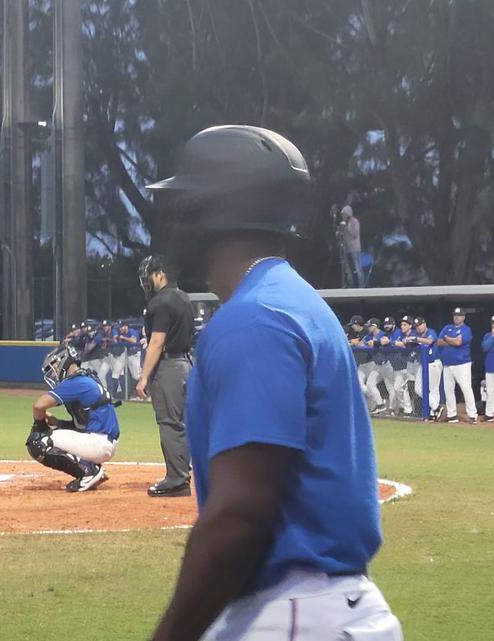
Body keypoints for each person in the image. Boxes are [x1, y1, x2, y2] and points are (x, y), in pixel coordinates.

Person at [146, 125, 401, 641]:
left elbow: (240, 515)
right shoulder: (291, 299)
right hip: (322, 609)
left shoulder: (253, 318)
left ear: (214, 213)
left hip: (293, 614)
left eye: (185, 206)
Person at [136, 255, 196, 498]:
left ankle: (176, 480)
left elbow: (157, 342)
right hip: (187, 364)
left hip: (169, 367)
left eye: (149, 276)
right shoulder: (183, 297)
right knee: (182, 423)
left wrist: (143, 378)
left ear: (160, 274)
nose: (146, 282)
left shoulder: (160, 302)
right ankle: (183, 471)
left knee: (169, 423)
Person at [26, 344, 119, 491]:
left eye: (54, 367)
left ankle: (89, 472)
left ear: (63, 361)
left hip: (99, 443)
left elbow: (38, 406)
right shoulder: (87, 378)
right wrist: (58, 423)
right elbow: (82, 426)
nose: (54, 373)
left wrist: (40, 426)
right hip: (103, 442)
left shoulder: (76, 382)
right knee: (52, 434)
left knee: (38, 442)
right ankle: (91, 468)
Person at [438, 308, 478, 424]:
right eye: (455, 315)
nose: (456, 317)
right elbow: (439, 342)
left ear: (463, 317)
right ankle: (452, 415)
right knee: (448, 390)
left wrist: (447, 338)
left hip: (462, 363)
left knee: (466, 388)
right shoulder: (447, 327)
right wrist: (452, 340)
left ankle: (472, 415)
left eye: (459, 315)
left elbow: (458, 342)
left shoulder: (466, 329)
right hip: (447, 364)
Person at [412, 317, 442, 420]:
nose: (418, 328)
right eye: (416, 326)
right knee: (418, 388)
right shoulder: (417, 335)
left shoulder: (431, 332)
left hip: (434, 363)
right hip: (423, 364)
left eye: (420, 325)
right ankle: (437, 407)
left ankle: (434, 413)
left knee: (433, 389)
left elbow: (429, 341)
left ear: (424, 324)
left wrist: (416, 339)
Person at [389, 316, 417, 416]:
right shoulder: (402, 335)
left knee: (416, 389)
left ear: (410, 326)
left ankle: (413, 410)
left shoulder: (414, 334)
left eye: (405, 325)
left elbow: (408, 345)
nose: (402, 326)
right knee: (398, 388)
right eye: (401, 324)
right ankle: (407, 408)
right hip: (407, 365)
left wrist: (402, 344)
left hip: (417, 364)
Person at [362, 318, 388, 414]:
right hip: (377, 365)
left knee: (393, 388)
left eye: (370, 326)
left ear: (375, 326)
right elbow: (361, 342)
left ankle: (397, 409)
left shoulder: (383, 334)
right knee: (370, 384)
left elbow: (385, 341)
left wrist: (375, 342)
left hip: (387, 365)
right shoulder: (369, 336)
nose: (368, 328)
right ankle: (380, 404)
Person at [112, 321, 143, 394]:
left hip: (135, 354)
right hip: (128, 354)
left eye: (121, 327)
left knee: (137, 376)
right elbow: (116, 341)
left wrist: (124, 338)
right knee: (131, 376)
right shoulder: (121, 333)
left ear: (126, 327)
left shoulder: (132, 331)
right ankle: (128, 392)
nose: (120, 328)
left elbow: (134, 340)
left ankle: (146, 389)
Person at [339, 205, 364, 288]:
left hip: (355, 248)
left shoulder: (354, 221)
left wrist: (347, 228)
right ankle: (350, 285)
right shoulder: (343, 223)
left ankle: (361, 286)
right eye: (342, 214)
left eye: (344, 214)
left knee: (357, 267)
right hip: (346, 248)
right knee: (348, 269)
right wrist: (340, 230)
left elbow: (355, 234)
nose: (343, 216)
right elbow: (342, 235)